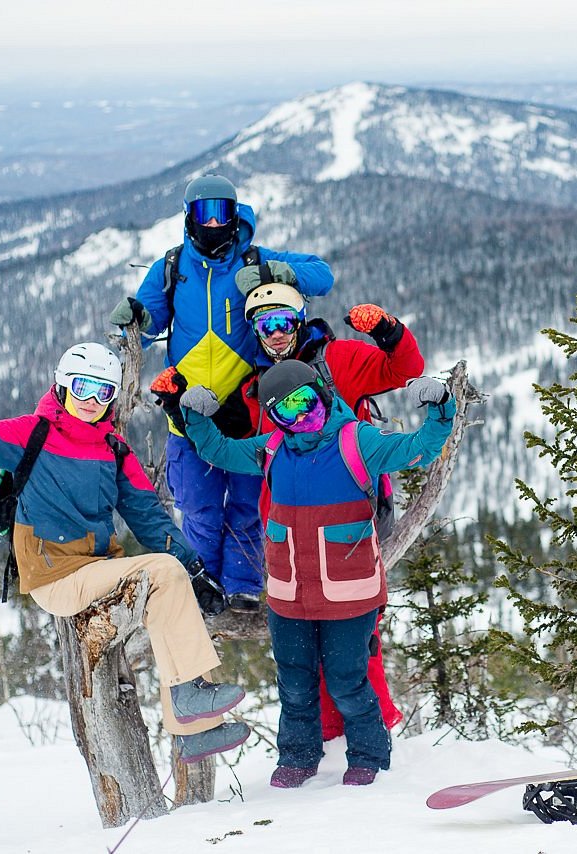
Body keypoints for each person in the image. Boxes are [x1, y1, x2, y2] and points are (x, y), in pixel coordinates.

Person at [0, 343, 247, 763]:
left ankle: (193, 730)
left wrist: (195, 570)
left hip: (98, 568)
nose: (92, 401)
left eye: (104, 392)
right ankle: (188, 700)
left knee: (170, 584)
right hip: (54, 576)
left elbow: (150, 518)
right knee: (164, 573)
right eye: (83, 388)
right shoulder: (31, 434)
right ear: (62, 386)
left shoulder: (114, 449)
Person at [151, 283, 423, 737]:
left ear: (299, 320)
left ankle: (372, 729)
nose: (275, 334)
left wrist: (388, 332)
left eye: (282, 321)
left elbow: (404, 369)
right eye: (264, 325)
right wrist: (180, 408)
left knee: (355, 631)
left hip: (349, 512)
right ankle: (326, 735)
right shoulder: (255, 387)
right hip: (287, 526)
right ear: (254, 332)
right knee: (303, 632)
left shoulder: (338, 360)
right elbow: (224, 443)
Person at [177, 360, 456, 787]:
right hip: (290, 593)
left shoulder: (356, 441)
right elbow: (219, 450)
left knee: (347, 680)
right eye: (285, 411)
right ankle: (298, 757)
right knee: (293, 681)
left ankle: (368, 754)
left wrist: (440, 408)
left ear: (322, 394)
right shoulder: (272, 449)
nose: (301, 415)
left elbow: (419, 447)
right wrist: (195, 417)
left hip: (350, 592)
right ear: (275, 419)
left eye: (305, 401)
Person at [109, 173, 334, 612]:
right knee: (198, 507)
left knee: (248, 506)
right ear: (188, 217)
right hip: (186, 411)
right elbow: (150, 317)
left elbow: (322, 275)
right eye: (203, 213)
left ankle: (244, 585)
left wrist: (278, 273)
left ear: (234, 215)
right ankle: (200, 587)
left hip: (247, 410)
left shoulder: (253, 259)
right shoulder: (172, 268)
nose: (213, 224)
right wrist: (135, 316)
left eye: (222, 212)